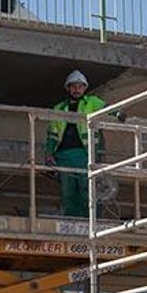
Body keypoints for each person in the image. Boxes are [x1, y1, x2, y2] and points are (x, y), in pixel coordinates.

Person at [45, 70, 105, 217]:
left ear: (85, 88)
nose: (77, 89)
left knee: (87, 191)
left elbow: (109, 109)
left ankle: (90, 221)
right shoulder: (59, 108)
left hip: (85, 155)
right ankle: (71, 220)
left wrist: (119, 114)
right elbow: (52, 134)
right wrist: (49, 153)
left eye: (80, 86)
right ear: (68, 88)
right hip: (64, 156)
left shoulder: (92, 102)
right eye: (74, 86)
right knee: (68, 193)